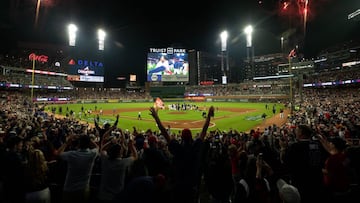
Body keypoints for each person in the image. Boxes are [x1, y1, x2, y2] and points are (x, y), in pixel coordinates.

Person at [149, 105, 215, 203]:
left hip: (178, 185)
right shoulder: (195, 147)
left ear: (182, 138)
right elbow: (204, 131)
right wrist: (209, 115)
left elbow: (164, 132)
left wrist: (156, 117)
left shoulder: (177, 148)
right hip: (192, 186)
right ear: (191, 137)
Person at [57, 134, 99, 203]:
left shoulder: (71, 154)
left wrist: (67, 142)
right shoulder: (92, 154)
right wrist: (89, 139)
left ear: (79, 143)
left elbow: (58, 153)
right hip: (84, 189)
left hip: (69, 189)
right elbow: (97, 147)